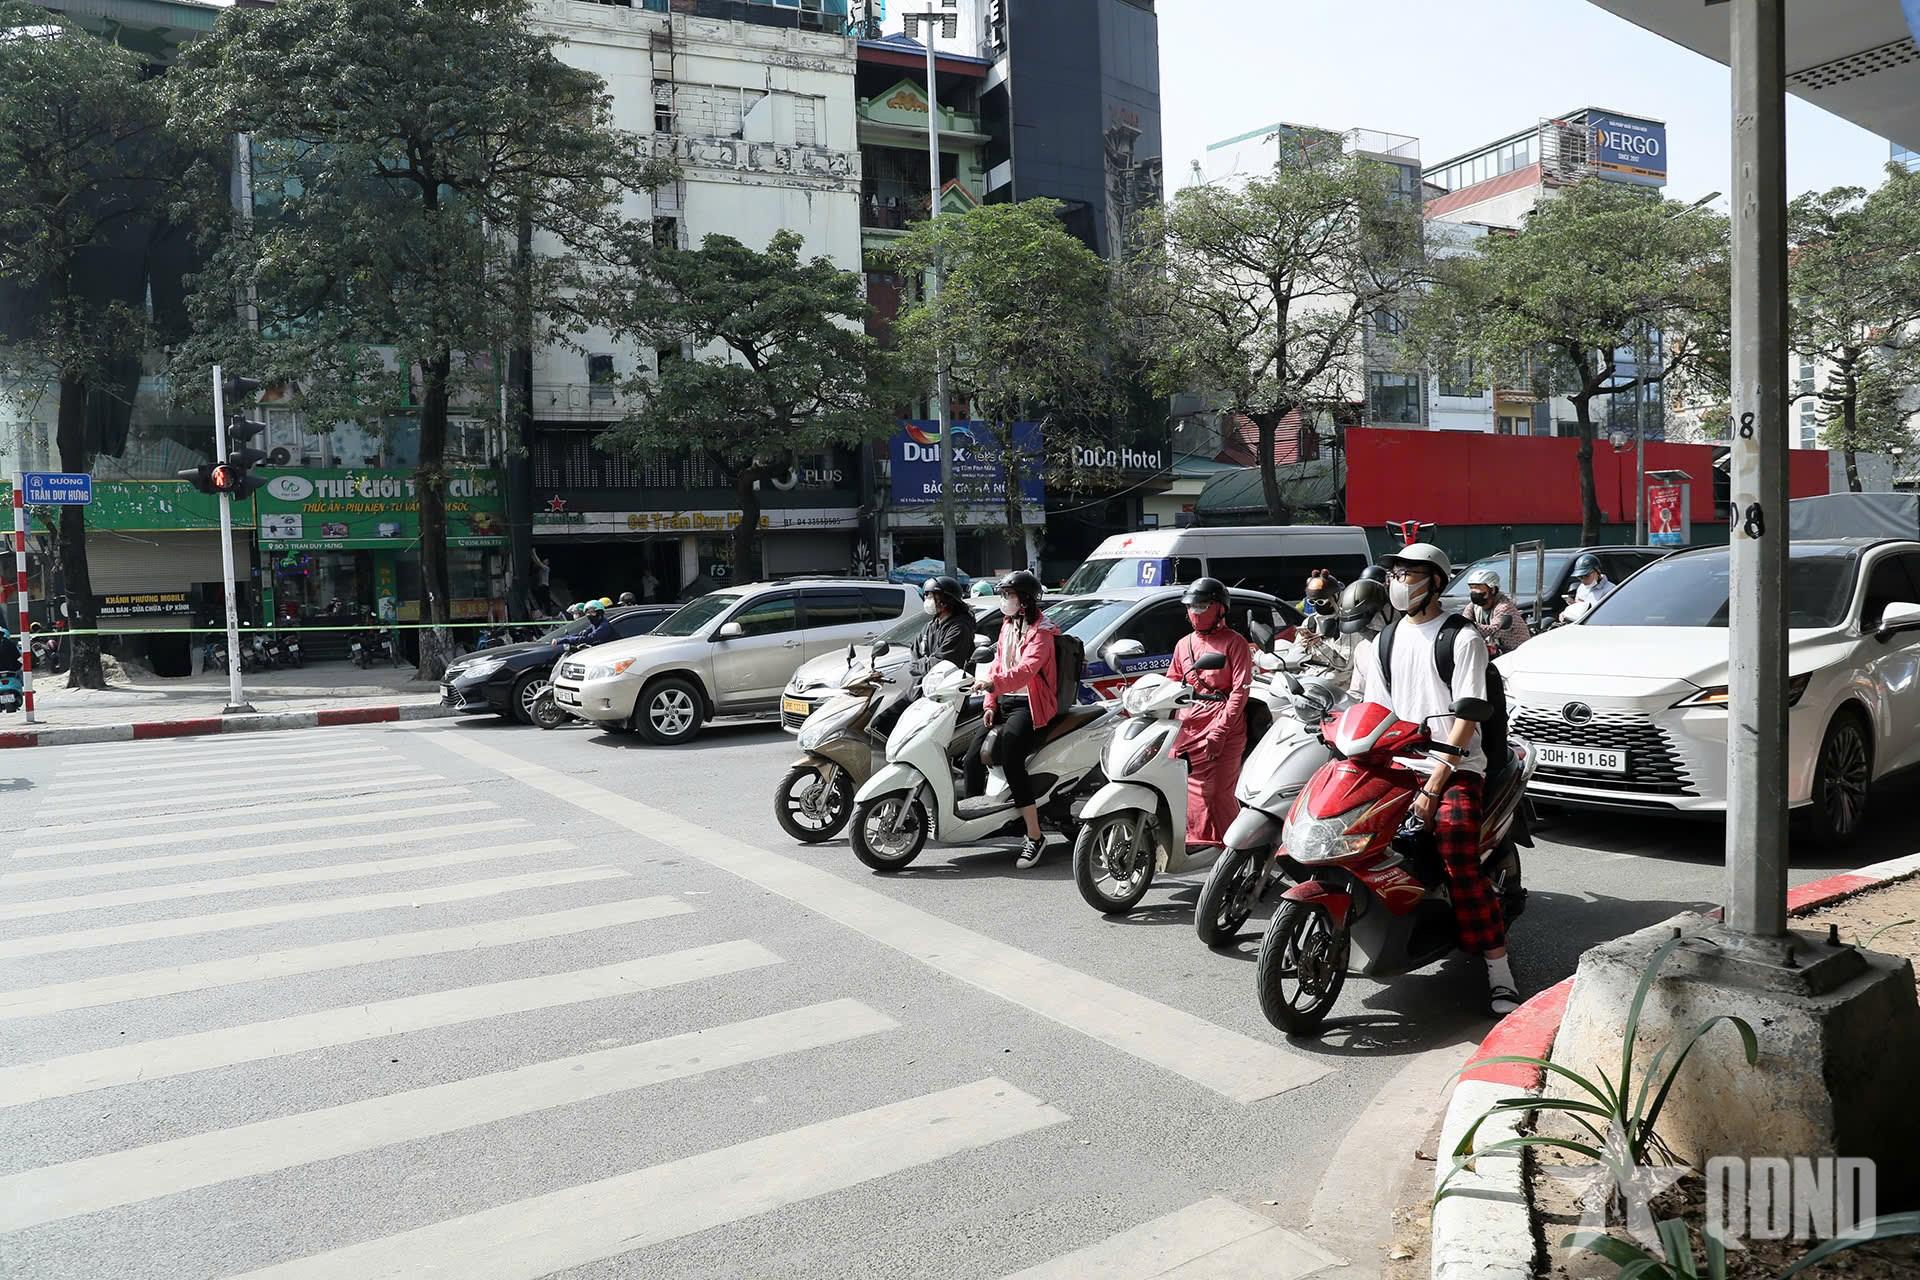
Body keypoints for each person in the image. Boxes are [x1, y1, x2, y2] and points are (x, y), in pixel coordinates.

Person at [1350, 542, 1520, 1016]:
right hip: (1397, 761)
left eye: (1409, 574)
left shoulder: (1461, 639)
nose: (1398, 582)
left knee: (1456, 853)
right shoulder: (1382, 641)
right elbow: (1373, 708)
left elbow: (1468, 716)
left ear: (1437, 582)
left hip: (1455, 766)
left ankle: (1499, 971)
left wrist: (1433, 785)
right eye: (1395, 574)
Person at [979, 570, 1059, 869]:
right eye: (1003, 594)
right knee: (972, 754)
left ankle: (1035, 835)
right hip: (1005, 698)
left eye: (1009, 594)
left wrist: (993, 685)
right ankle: (987, 822)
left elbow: (1026, 670)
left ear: (1024, 599)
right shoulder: (1008, 625)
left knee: (1011, 756)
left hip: (1030, 704)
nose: (1004, 600)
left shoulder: (1043, 632)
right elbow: (997, 664)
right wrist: (990, 702)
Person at [1167, 578, 1253, 850]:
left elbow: (1240, 691)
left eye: (1202, 606)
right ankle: (1198, 848)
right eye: (1191, 606)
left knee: (1217, 794)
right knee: (1188, 794)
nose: (1195, 612)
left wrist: (1220, 730)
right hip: (1188, 728)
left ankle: (1236, 851)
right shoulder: (1183, 644)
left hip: (1224, 725)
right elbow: (1171, 685)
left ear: (1220, 609)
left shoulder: (1235, 643)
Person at [1462, 568, 1530, 656]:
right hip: (1491, 653)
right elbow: (1464, 621)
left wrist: (1468, 624)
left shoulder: (1504, 607)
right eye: (1472, 588)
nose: (1474, 591)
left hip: (1514, 654)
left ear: (1492, 589)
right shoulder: (1473, 607)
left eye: (1478, 588)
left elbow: (1493, 630)